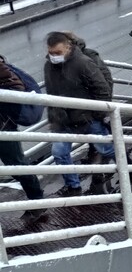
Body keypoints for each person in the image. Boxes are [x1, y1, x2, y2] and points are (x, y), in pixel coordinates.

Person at [43, 32, 115, 197]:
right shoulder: (48, 66)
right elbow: (51, 94)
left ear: (68, 48)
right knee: (59, 153)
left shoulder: (83, 63)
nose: (53, 56)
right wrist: (53, 119)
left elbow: (102, 88)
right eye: (50, 53)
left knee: (107, 149)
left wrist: (98, 114)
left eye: (57, 53)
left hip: (87, 119)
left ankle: (128, 167)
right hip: (63, 121)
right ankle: (74, 187)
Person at [0, 55, 45, 220]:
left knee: (17, 166)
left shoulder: (1, 68)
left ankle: (37, 202)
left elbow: (17, 91)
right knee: (16, 166)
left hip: (3, 127)